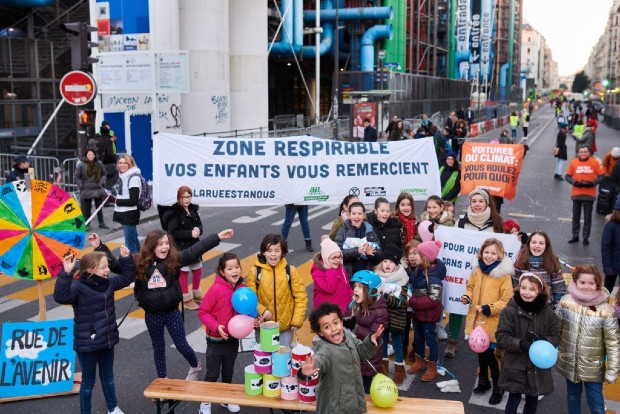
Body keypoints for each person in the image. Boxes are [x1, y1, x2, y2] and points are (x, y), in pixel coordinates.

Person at [134, 228, 234, 380]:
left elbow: (195, 250)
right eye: (160, 244)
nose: (165, 247)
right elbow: (115, 266)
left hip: (171, 312)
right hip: (152, 315)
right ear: (151, 246)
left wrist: (217, 237)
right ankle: (162, 379)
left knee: (181, 345)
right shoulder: (139, 263)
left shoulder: (174, 260)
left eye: (167, 243)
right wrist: (99, 247)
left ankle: (195, 366)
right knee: (158, 348)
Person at [53, 239, 134, 414]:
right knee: (88, 382)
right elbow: (61, 297)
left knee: (108, 378)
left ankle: (113, 408)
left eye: (107, 266)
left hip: (107, 339)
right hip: (87, 344)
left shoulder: (108, 283)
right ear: (90, 270)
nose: (108, 270)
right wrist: (66, 273)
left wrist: (126, 259)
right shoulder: (78, 287)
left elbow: (127, 278)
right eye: (103, 267)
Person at [298, 302, 384, 414]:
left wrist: (371, 342)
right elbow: (319, 360)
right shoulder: (326, 350)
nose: (333, 329)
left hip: (353, 402)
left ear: (341, 322)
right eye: (327, 327)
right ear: (321, 333)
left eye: (336, 323)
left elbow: (362, 351)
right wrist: (305, 373)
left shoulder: (348, 337)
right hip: (334, 408)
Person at [556, 264, 620, 414]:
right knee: (572, 396)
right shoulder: (565, 302)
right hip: (569, 362)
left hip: (593, 368)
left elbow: (613, 344)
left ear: (598, 283)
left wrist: (612, 371)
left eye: (591, 283)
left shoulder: (606, 311)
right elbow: (556, 330)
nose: (586, 286)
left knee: (597, 404)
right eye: (582, 282)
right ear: (575, 282)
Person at [496, 273, 560, 414]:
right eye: (523, 288)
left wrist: (544, 341)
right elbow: (501, 337)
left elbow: (556, 335)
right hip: (515, 364)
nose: (527, 292)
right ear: (518, 288)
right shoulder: (510, 311)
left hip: (537, 367)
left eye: (532, 289)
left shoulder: (548, 313)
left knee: (532, 400)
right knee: (513, 398)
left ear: (540, 291)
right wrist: (520, 344)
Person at [461, 238, 514, 405]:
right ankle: (483, 380)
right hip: (477, 320)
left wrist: (488, 308)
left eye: (493, 253)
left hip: (493, 321)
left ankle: (498, 386)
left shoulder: (503, 275)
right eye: (486, 252)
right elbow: (470, 287)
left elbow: (506, 300)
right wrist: (466, 297)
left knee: (489, 354)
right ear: (481, 253)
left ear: (500, 255)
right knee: (480, 351)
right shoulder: (477, 270)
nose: (489, 256)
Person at [197, 253, 246, 414]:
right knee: (212, 373)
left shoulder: (242, 288)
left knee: (228, 372)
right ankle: (205, 403)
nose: (234, 271)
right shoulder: (216, 289)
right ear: (222, 271)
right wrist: (217, 326)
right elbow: (203, 312)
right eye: (230, 268)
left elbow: (247, 310)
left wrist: (256, 319)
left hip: (232, 340)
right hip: (215, 341)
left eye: (237, 267)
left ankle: (226, 399)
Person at [245, 234, 308, 348]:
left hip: (285, 328)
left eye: (277, 250)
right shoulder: (255, 272)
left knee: (282, 361)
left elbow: (301, 297)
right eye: (269, 250)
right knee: (265, 360)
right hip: (264, 327)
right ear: (263, 252)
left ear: (282, 252)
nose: (273, 254)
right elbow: (250, 299)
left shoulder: (290, 271)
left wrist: (297, 319)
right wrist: (262, 311)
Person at [407, 240, 446, 382]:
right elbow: (413, 281)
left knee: (430, 341)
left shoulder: (434, 277)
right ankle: (420, 361)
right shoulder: (420, 269)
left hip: (428, 316)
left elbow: (433, 299)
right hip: (418, 313)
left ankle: (432, 367)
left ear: (425, 258)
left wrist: (412, 302)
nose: (414, 256)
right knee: (418, 338)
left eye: (417, 253)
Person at [347, 270, 388, 393]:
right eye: (355, 286)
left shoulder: (380, 311)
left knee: (366, 391)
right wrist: (351, 308)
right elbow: (350, 319)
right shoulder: (361, 305)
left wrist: (354, 328)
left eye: (360, 287)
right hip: (358, 355)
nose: (355, 289)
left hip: (369, 360)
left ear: (372, 291)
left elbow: (373, 336)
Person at [374, 247, 408, 385]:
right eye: (385, 261)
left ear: (397, 265)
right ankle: (383, 366)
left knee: (397, 344)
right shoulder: (376, 278)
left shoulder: (402, 279)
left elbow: (400, 301)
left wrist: (385, 296)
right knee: (382, 343)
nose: (388, 264)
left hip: (396, 319)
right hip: (381, 318)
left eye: (391, 262)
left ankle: (400, 370)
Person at [166, 186, 204, 310]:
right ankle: (186, 298)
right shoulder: (174, 213)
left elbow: (199, 224)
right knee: (184, 272)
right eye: (184, 197)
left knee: (197, 270)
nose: (187, 200)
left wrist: (199, 230)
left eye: (189, 197)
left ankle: (197, 294)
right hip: (181, 248)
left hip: (195, 246)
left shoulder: (193, 210)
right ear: (179, 198)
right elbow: (172, 233)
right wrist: (190, 234)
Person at [513, 231, 566, 309]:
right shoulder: (520, 261)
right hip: (524, 305)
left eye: (541, 243)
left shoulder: (552, 262)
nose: (537, 246)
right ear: (528, 244)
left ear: (546, 246)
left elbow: (559, 289)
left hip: (545, 307)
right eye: (534, 242)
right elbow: (515, 285)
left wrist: (555, 308)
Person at [565, 145, 604, 245]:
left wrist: (592, 183)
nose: (583, 153)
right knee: (576, 217)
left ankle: (585, 237)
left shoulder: (594, 162)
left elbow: (601, 176)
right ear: (578, 153)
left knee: (587, 218)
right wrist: (575, 182)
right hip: (576, 193)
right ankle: (575, 236)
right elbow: (567, 176)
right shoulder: (573, 162)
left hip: (589, 194)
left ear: (589, 153)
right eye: (581, 152)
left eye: (585, 152)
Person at [335, 201, 379, 276]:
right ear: (349, 215)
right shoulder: (342, 231)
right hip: (348, 274)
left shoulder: (370, 231)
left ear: (364, 215)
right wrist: (357, 251)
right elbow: (337, 253)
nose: (357, 216)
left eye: (360, 214)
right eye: (354, 213)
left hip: (367, 274)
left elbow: (379, 253)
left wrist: (370, 253)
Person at [311, 237, 352, 313]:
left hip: (342, 309)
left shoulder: (340, 268)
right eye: (334, 258)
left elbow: (347, 286)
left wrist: (352, 301)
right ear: (326, 258)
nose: (337, 260)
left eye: (339, 257)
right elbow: (329, 288)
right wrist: (330, 270)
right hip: (327, 313)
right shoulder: (317, 271)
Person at [112, 154, 141, 254]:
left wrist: (116, 201)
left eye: (125, 163)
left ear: (130, 164)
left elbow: (134, 200)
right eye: (120, 163)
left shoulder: (133, 178)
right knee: (134, 242)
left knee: (130, 246)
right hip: (125, 213)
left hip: (129, 214)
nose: (122, 165)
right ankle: (143, 263)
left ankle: (134, 267)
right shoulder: (123, 176)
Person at [75, 149, 109, 231]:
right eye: (89, 155)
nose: (91, 156)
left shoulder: (99, 163)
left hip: (97, 188)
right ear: (86, 155)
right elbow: (77, 177)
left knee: (99, 207)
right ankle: (87, 223)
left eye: (92, 154)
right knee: (86, 208)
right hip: (86, 189)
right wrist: (81, 185)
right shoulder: (81, 165)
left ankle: (101, 222)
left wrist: (102, 182)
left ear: (95, 155)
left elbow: (104, 174)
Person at [602, 195, 620, 293]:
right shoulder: (611, 226)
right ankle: (604, 307)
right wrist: (608, 267)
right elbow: (605, 248)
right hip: (612, 266)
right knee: (607, 290)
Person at [95, 120, 119, 190]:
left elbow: (115, 140)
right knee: (116, 171)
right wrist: (117, 161)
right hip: (107, 161)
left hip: (99, 162)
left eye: (109, 126)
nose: (108, 127)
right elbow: (110, 153)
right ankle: (107, 189)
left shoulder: (97, 139)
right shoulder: (106, 139)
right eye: (106, 126)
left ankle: (105, 189)